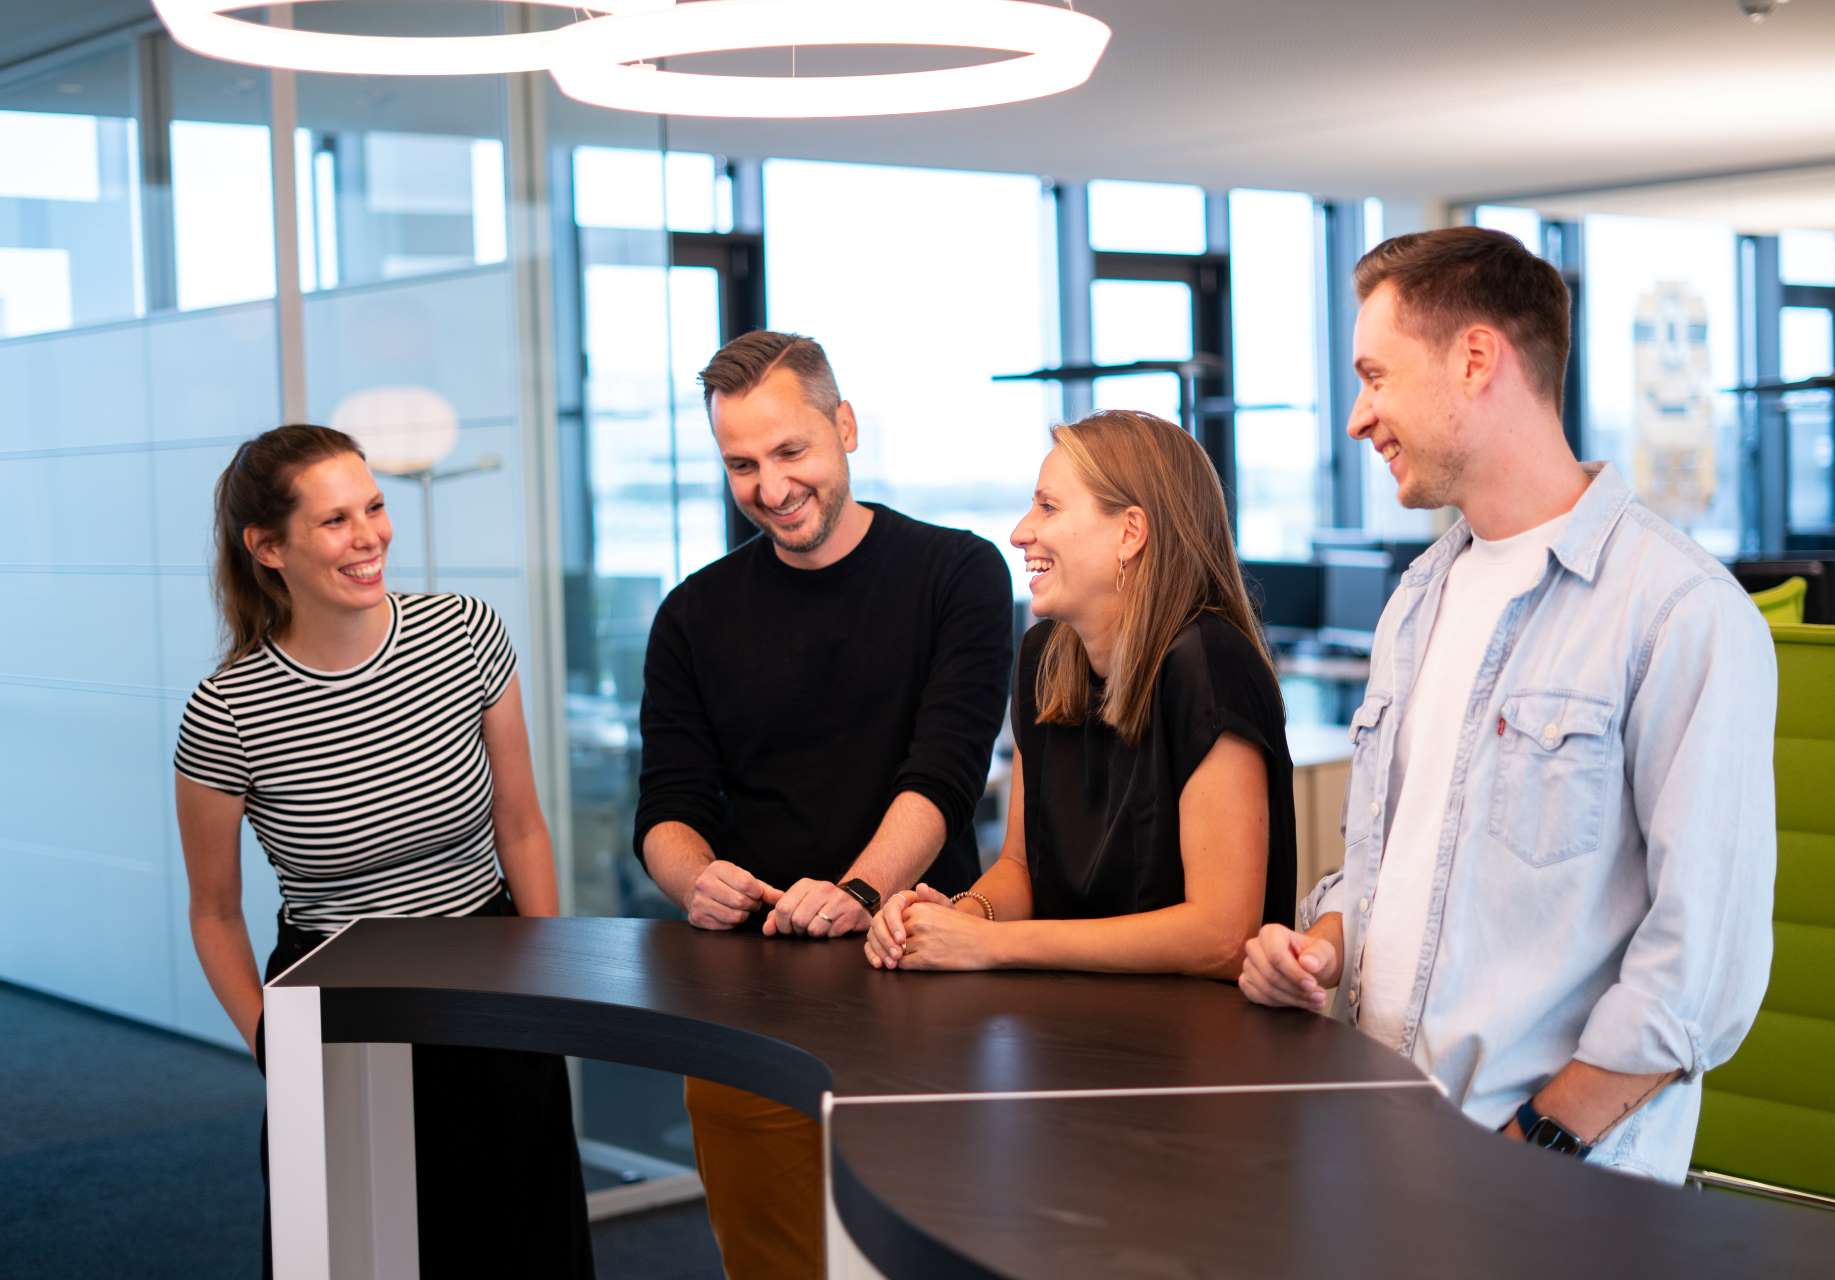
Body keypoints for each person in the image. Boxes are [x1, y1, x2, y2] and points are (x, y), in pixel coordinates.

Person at [1239, 227, 1776, 1181]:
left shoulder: (1679, 611)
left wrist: (1540, 1146)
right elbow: (1396, 866)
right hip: (1384, 1159)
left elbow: (1700, 967)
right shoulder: (1419, 598)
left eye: (1376, 375)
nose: (1359, 417)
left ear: (1476, 358)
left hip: (1550, 1197)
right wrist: (1321, 945)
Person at [632, 331, 1012, 1277]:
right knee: (775, 1262)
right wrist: (694, 880)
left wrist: (860, 888)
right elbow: (668, 806)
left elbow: (947, 774)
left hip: (918, 971)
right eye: (742, 465)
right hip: (746, 993)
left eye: (790, 452)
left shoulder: (957, 574)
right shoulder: (692, 613)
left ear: (844, 428)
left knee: (928, 1252)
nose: (770, 486)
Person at [173, 425, 592, 1277]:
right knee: (356, 1256)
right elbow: (214, 912)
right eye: (334, 521)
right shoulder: (226, 712)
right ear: (268, 548)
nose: (369, 538)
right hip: (335, 1007)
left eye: (374, 507)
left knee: (519, 1248)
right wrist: (271, 1045)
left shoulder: (467, 635)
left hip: (492, 981)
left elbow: (521, 825)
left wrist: (549, 985)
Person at [865, 409, 1296, 979]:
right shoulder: (1044, 656)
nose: (1021, 532)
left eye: (1048, 506)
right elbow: (1018, 867)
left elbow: (1221, 935)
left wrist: (992, 946)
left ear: (1130, 532)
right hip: (1068, 1031)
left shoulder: (1210, 664)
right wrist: (955, 917)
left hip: (1193, 1046)